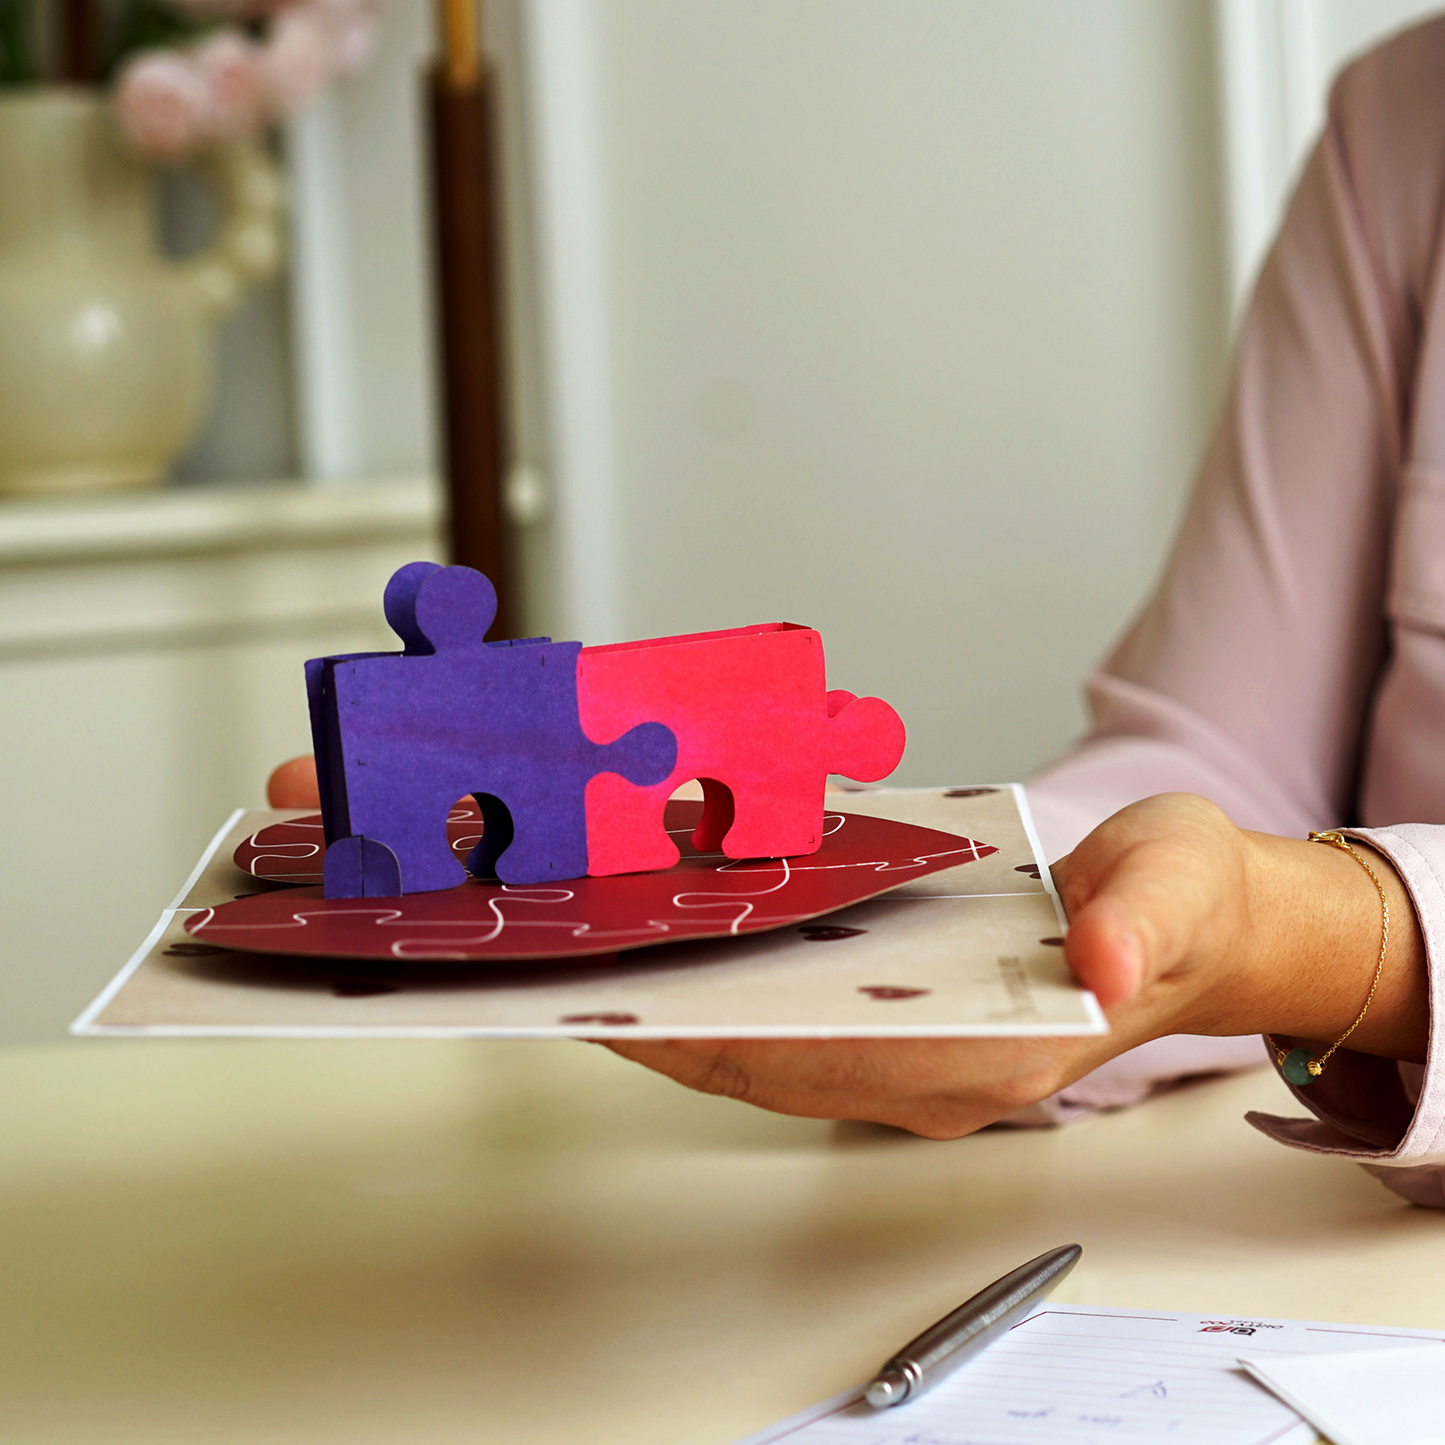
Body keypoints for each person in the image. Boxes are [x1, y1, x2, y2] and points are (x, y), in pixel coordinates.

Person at [271, 19, 1445, 1207]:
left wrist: (1322, 938)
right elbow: (1222, 755)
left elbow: (1264, 899)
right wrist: (900, 916)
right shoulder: (1397, 117)